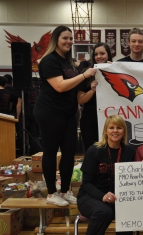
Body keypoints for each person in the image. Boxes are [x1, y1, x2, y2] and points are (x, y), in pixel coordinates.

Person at [33, 25, 96, 207]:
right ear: (56, 40)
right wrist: (84, 75)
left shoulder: (68, 61)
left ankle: (66, 190)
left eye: (70, 38)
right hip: (49, 112)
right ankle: (52, 193)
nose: (68, 41)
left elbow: (74, 87)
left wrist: (89, 85)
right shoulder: (49, 61)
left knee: (69, 153)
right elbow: (60, 86)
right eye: (65, 38)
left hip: (68, 113)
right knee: (51, 152)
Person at [77, 115, 135, 235]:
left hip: (116, 197)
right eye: (111, 127)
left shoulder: (129, 151)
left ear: (124, 131)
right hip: (90, 196)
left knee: (127, 212)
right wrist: (102, 196)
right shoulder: (94, 150)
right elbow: (87, 183)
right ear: (105, 131)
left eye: (119, 127)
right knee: (104, 212)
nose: (115, 131)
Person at [78, 42, 112, 152]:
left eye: (102, 53)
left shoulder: (116, 70)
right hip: (90, 120)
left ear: (108, 55)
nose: (99, 57)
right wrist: (92, 91)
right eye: (96, 54)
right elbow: (80, 99)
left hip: (110, 120)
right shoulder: (87, 72)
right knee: (91, 153)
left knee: (109, 153)